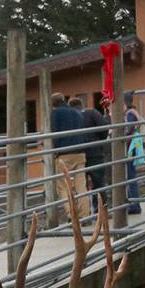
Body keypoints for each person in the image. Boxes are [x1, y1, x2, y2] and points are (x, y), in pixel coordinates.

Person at [49, 93, 90, 222]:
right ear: (63, 100)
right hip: (80, 151)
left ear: (53, 104)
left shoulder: (55, 114)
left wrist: (55, 150)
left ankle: (72, 215)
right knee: (81, 185)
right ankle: (85, 215)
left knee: (63, 186)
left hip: (64, 153)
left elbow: (54, 132)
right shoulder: (76, 112)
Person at [69, 97, 109, 214]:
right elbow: (104, 127)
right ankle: (101, 210)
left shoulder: (71, 116)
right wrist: (100, 140)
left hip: (78, 154)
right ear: (82, 104)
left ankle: (85, 213)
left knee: (81, 186)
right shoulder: (92, 112)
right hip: (95, 152)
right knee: (99, 183)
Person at [126, 96, 144, 215]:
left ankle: (134, 205)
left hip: (129, 149)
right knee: (130, 177)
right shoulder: (133, 113)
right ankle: (133, 204)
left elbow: (128, 129)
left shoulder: (130, 114)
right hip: (131, 148)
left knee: (130, 177)